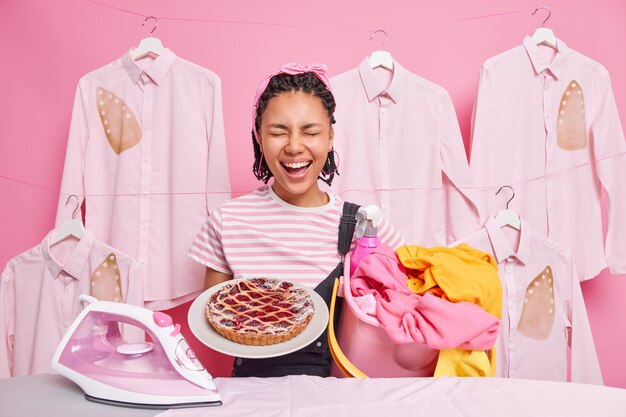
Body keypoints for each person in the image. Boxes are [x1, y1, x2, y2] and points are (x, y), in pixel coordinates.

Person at [188, 63, 404, 377]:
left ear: (330, 136)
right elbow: (214, 317)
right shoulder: (227, 221)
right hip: (251, 395)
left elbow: (400, 305)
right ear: (259, 138)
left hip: (336, 396)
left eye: (310, 131)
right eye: (278, 132)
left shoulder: (362, 224)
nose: (293, 146)